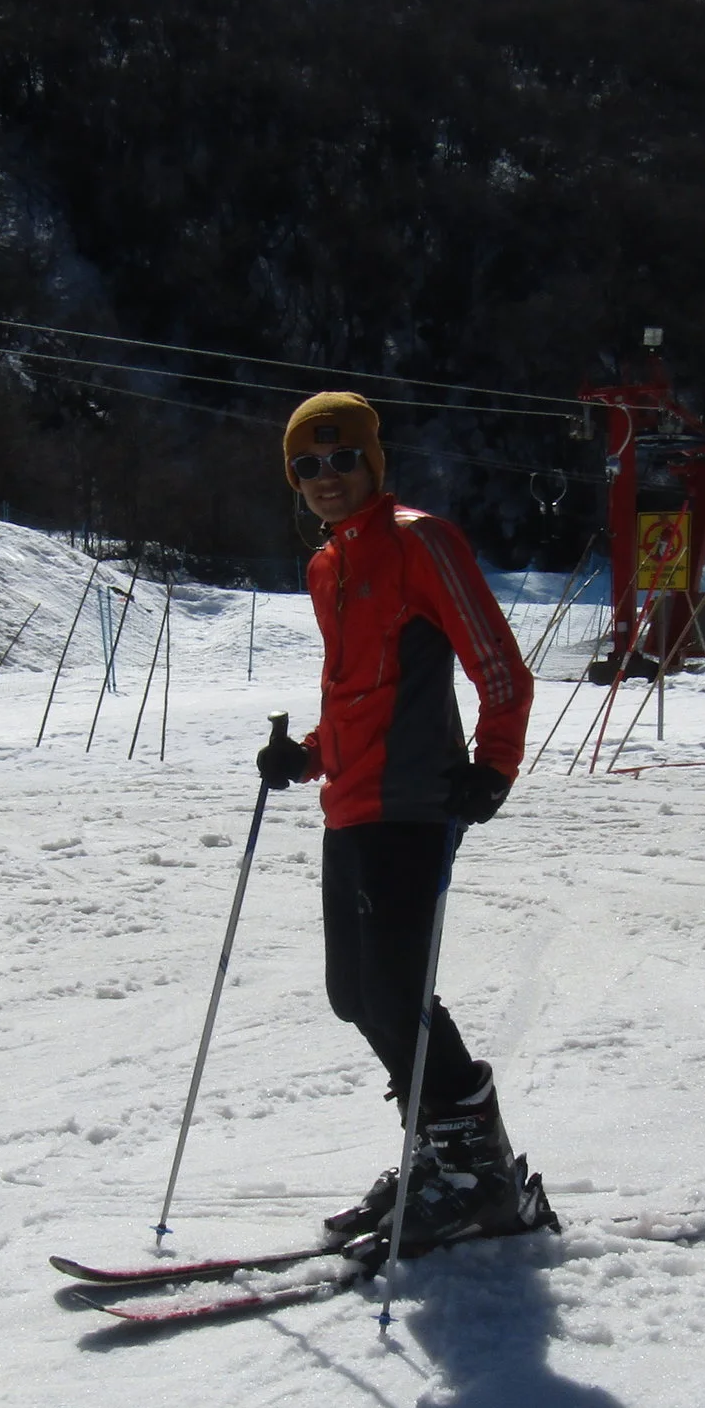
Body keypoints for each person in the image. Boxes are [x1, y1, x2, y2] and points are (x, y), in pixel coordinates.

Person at [255, 391, 560, 1256]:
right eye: (306, 465)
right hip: (349, 803)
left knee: (395, 991)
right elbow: (356, 694)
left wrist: (494, 764)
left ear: (372, 464)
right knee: (354, 995)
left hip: (416, 800)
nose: (324, 477)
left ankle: (477, 1178)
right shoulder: (328, 567)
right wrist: (308, 755)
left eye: (340, 459)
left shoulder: (422, 540)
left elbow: (498, 665)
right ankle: (442, 1157)